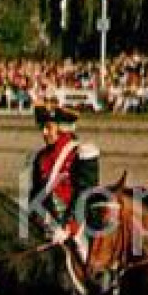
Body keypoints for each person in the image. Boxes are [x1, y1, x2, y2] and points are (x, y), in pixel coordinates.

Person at [28, 102, 100, 262]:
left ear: (62, 129)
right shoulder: (40, 157)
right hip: (46, 225)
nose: (44, 133)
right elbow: (35, 195)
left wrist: (70, 227)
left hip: (77, 226)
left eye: (48, 127)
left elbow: (85, 194)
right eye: (42, 128)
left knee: (87, 262)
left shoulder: (81, 154)